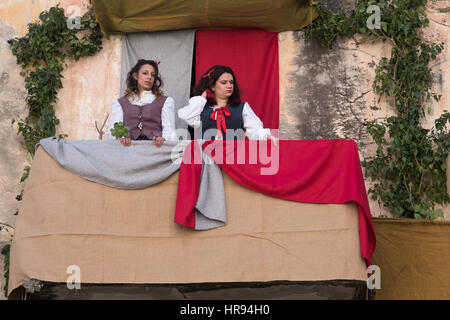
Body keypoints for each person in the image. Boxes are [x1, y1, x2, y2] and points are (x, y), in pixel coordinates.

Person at [178, 65, 277, 144]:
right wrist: (201, 98)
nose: (229, 86)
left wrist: (265, 136)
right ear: (212, 86)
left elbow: (254, 130)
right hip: (206, 158)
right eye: (224, 82)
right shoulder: (201, 109)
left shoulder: (241, 108)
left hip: (233, 158)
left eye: (231, 82)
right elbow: (187, 116)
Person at [107, 59, 177, 147]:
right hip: (128, 150)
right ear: (136, 76)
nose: (149, 77)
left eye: (153, 75)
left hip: (155, 150)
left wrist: (164, 140)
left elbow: (169, 130)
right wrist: (122, 138)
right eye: (145, 73)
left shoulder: (165, 101)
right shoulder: (120, 103)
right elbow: (113, 133)